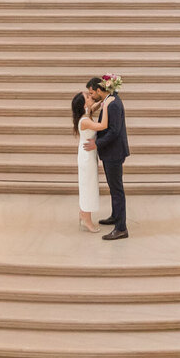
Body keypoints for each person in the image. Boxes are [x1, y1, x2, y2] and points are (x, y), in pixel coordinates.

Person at [85, 75, 129, 239]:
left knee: (117, 190)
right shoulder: (108, 100)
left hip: (114, 152)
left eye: (92, 93)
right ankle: (115, 216)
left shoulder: (113, 104)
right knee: (113, 188)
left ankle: (121, 228)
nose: (91, 96)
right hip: (111, 152)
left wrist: (97, 143)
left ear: (98, 90)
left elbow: (114, 131)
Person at [71, 87, 109, 232]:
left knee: (88, 184)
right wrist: (107, 107)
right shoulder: (84, 120)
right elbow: (103, 125)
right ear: (83, 104)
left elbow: (95, 105)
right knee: (88, 186)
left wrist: (105, 98)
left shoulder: (87, 113)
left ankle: (83, 213)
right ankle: (86, 218)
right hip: (86, 156)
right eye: (87, 96)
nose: (90, 96)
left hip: (89, 154)